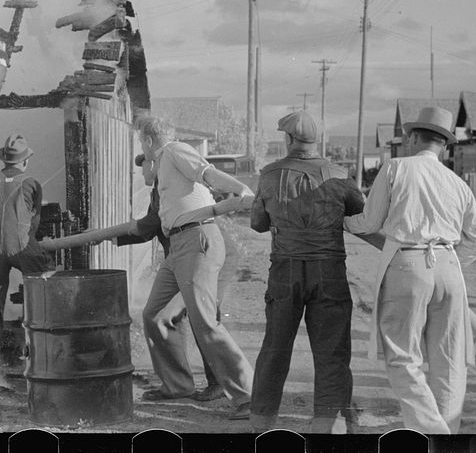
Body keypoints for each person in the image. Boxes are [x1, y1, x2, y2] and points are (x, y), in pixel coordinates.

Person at [344, 106, 476, 434]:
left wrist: (342, 221)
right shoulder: (457, 182)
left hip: (408, 265)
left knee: (402, 356)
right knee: (448, 359)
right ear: (445, 145)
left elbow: (369, 221)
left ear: (412, 137)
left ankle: (432, 431)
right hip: (449, 266)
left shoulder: (396, 167)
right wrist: (446, 261)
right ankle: (446, 432)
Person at [248, 110, 366, 433]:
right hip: (329, 271)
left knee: (275, 347)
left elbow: (258, 223)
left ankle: (261, 423)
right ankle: (326, 423)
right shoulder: (339, 174)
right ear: (316, 141)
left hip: (284, 271)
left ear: (288, 139)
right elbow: (360, 210)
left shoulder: (269, 174)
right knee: (331, 350)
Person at [133, 113, 256, 419]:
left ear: (148, 140)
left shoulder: (174, 150)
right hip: (178, 246)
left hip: (197, 239)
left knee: (204, 321)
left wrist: (241, 190)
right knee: (156, 314)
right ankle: (177, 385)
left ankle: (250, 395)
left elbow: (207, 172)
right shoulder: (161, 162)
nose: (141, 147)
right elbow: (154, 185)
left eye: (141, 141)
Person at [113, 153, 237, 402]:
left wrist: (109, 235)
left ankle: (222, 383)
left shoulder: (168, 186)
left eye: (145, 165)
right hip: (195, 252)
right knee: (169, 314)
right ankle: (181, 383)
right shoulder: (162, 188)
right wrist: (115, 236)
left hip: (206, 249)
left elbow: (147, 227)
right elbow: (151, 226)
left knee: (202, 315)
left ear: (156, 165)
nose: (143, 172)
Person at [0, 134, 54, 381]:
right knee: (42, 295)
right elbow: (35, 220)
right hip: (22, 247)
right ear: (25, 161)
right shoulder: (31, 183)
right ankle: (41, 358)